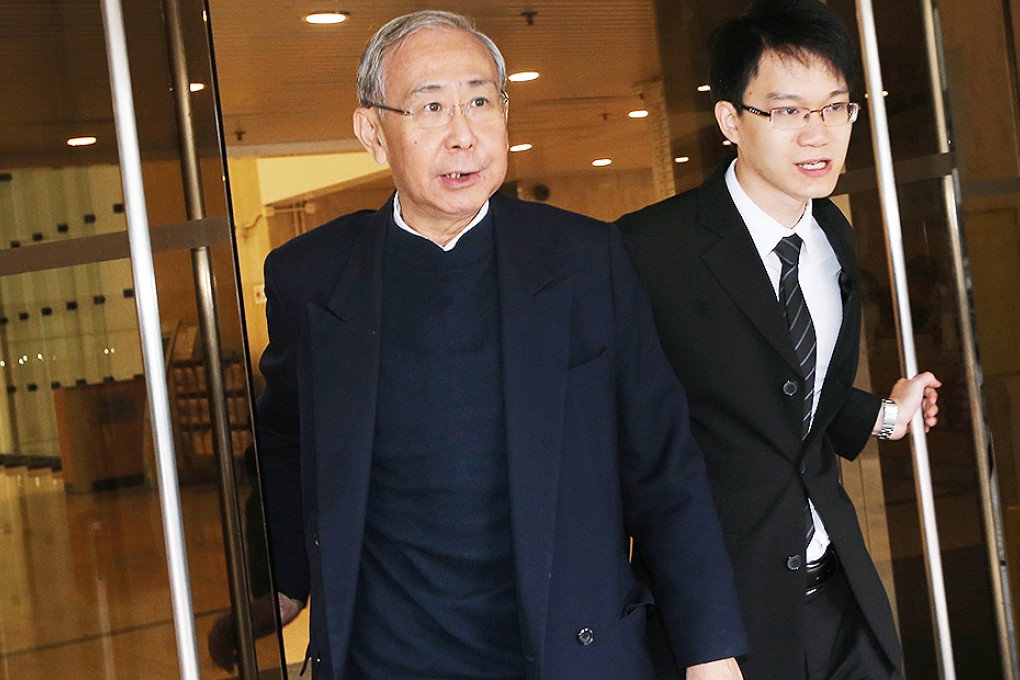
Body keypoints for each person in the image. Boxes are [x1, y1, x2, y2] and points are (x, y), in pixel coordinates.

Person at [255, 10, 747, 680]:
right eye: (430, 107)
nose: (464, 135)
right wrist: (284, 578)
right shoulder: (310, 279)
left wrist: (709, 650)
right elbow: (284, 439)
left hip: (569, 649)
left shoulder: (584, 260)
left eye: (480, 101)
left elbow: (662, 462)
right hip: (388, 657)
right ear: (373, 133)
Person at [617, 1, 940, 678]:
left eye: (836, 107)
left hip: (840, 597)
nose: (817, 133)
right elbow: (633, 452)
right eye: (788, 111)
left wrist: (885, 416)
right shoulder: (648, 251)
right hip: (724, 619)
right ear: (731, 120)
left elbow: (780, 395)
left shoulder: (833, 237)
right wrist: (704, 646)